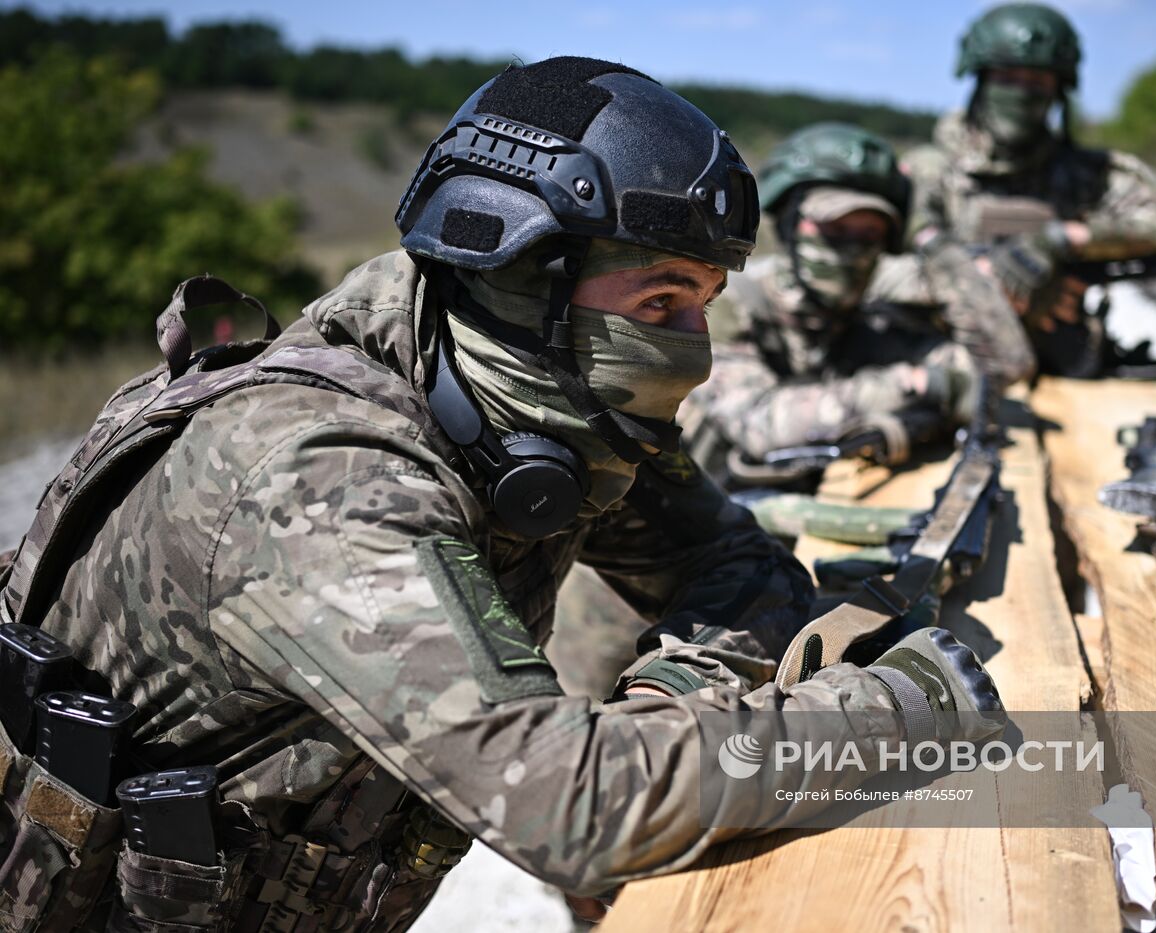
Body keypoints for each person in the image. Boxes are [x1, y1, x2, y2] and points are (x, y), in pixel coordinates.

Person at [0, 58, 1003, 931]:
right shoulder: (315, 478)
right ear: (521, 274)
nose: (691, 353)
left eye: (703, 304)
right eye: (659, 301)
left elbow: (729, 565)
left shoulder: (546, 404)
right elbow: (572, 807)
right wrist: (909, 705)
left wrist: (671, 694)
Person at [678, 122, 1030, 486]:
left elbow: (1002, 365)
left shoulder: (867, 309)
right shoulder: (729, 302)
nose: (851, 252)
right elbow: (761, 423)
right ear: (788, 225)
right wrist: (915, 384)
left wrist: (933, 243)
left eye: (870, 236)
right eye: (834, 230)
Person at [901, 2, 1156, 376]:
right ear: (980, 77)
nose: (1022, 93)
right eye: (1008, 76)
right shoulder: (927, 171)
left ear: (1059, 89)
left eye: (1038, 81)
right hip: (941, 369)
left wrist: (1062, 239)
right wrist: (981, 283)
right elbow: (866, 269)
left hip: (1066, 367)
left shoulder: (1085, 174)